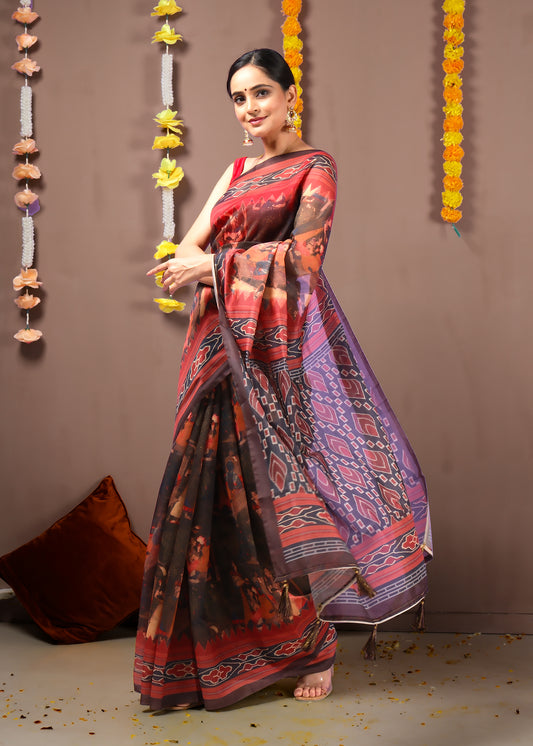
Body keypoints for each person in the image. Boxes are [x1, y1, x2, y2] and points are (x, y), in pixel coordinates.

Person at [134, 48, 431, 712]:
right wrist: (198, 265)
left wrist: (207, 266)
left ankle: (314, 644)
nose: (249, 108)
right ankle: (208, 657)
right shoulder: (236, 170)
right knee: (213, 501)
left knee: (283, 501)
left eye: (261, 92)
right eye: (238, 98)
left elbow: (302, 259)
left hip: (274, 353)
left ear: (290, 94)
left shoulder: (316, 168)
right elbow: (188, 248)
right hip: (217, 349)